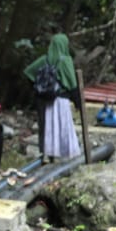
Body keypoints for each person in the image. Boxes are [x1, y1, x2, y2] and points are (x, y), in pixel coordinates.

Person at [24, 33, 81, 162]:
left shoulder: (45, 59)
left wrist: (37, 87)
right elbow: (72, 84)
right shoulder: (66, 60)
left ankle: (47, 154)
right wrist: (78, 102)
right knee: (62, 127)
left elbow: (28, 72)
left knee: (48, 128)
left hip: (46, 100)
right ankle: (63, 156)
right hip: (61, 100)